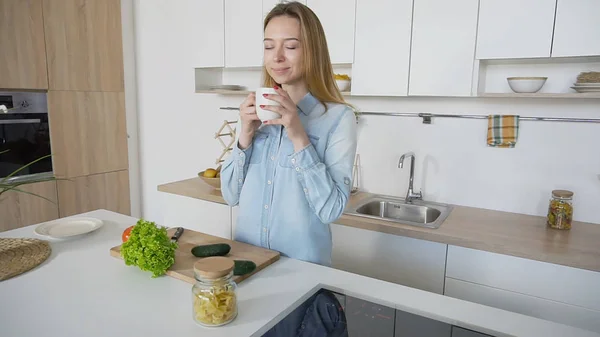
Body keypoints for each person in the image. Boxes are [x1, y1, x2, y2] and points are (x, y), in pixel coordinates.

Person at [220, 1, 358, 267]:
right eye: (269, 46)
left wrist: (298, 135)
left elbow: (331, 210)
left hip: (303, 273)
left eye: (291, 46)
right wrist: (245, 137)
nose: (277, 57)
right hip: (247, 265)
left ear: (313, 51)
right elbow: (229, 195)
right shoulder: (254, 112)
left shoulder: (338, 118)